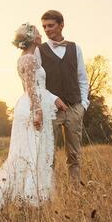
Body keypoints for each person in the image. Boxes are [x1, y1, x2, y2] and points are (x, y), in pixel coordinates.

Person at [0, 23, 67, 208]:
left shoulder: (26, 58)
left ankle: (30, 196)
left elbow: (37, 88)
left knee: (31, 152)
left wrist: (53, 99)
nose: (42, 34)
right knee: (30, 153)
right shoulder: (29, 59)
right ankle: (26, 198)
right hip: (33, 107)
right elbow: (31, 89)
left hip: (32, 104)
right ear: (33, 38)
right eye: (38, 31)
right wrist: (38, 112)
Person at [39, 10, 89, 187]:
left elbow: (82, 78)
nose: (47, 29)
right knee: (48, 155)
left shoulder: (75, 48)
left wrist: (83, 105)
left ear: (61, 25)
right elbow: (39, 83)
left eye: (51, 25)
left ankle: (75, 191)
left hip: (74, 108)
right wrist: (52, 99)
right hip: (51, 110)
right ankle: (48, 191)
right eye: (44, 26)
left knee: (74, 155)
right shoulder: (40, 51)